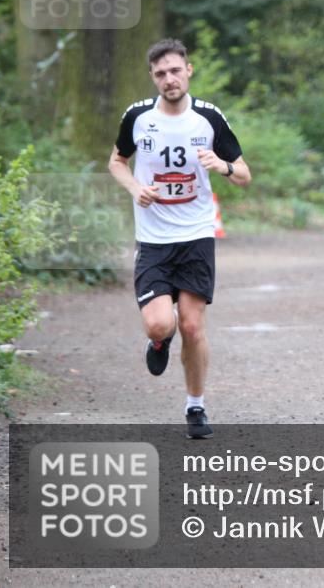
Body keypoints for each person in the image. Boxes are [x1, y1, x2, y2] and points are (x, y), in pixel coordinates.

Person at [108, 38, 251, 439]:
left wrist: (220, 164)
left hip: (196, 235)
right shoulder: (138, 117)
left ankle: (196, 407)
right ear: (152, 78)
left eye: (174, 70)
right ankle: (158, 344)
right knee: (159, 325)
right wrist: (136, 187)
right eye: (160, 74)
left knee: (192, 326)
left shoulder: (208, 118)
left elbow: (244, 175)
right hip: (153, 239)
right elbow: (116, 161)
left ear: (188, 70)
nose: (168, 79)